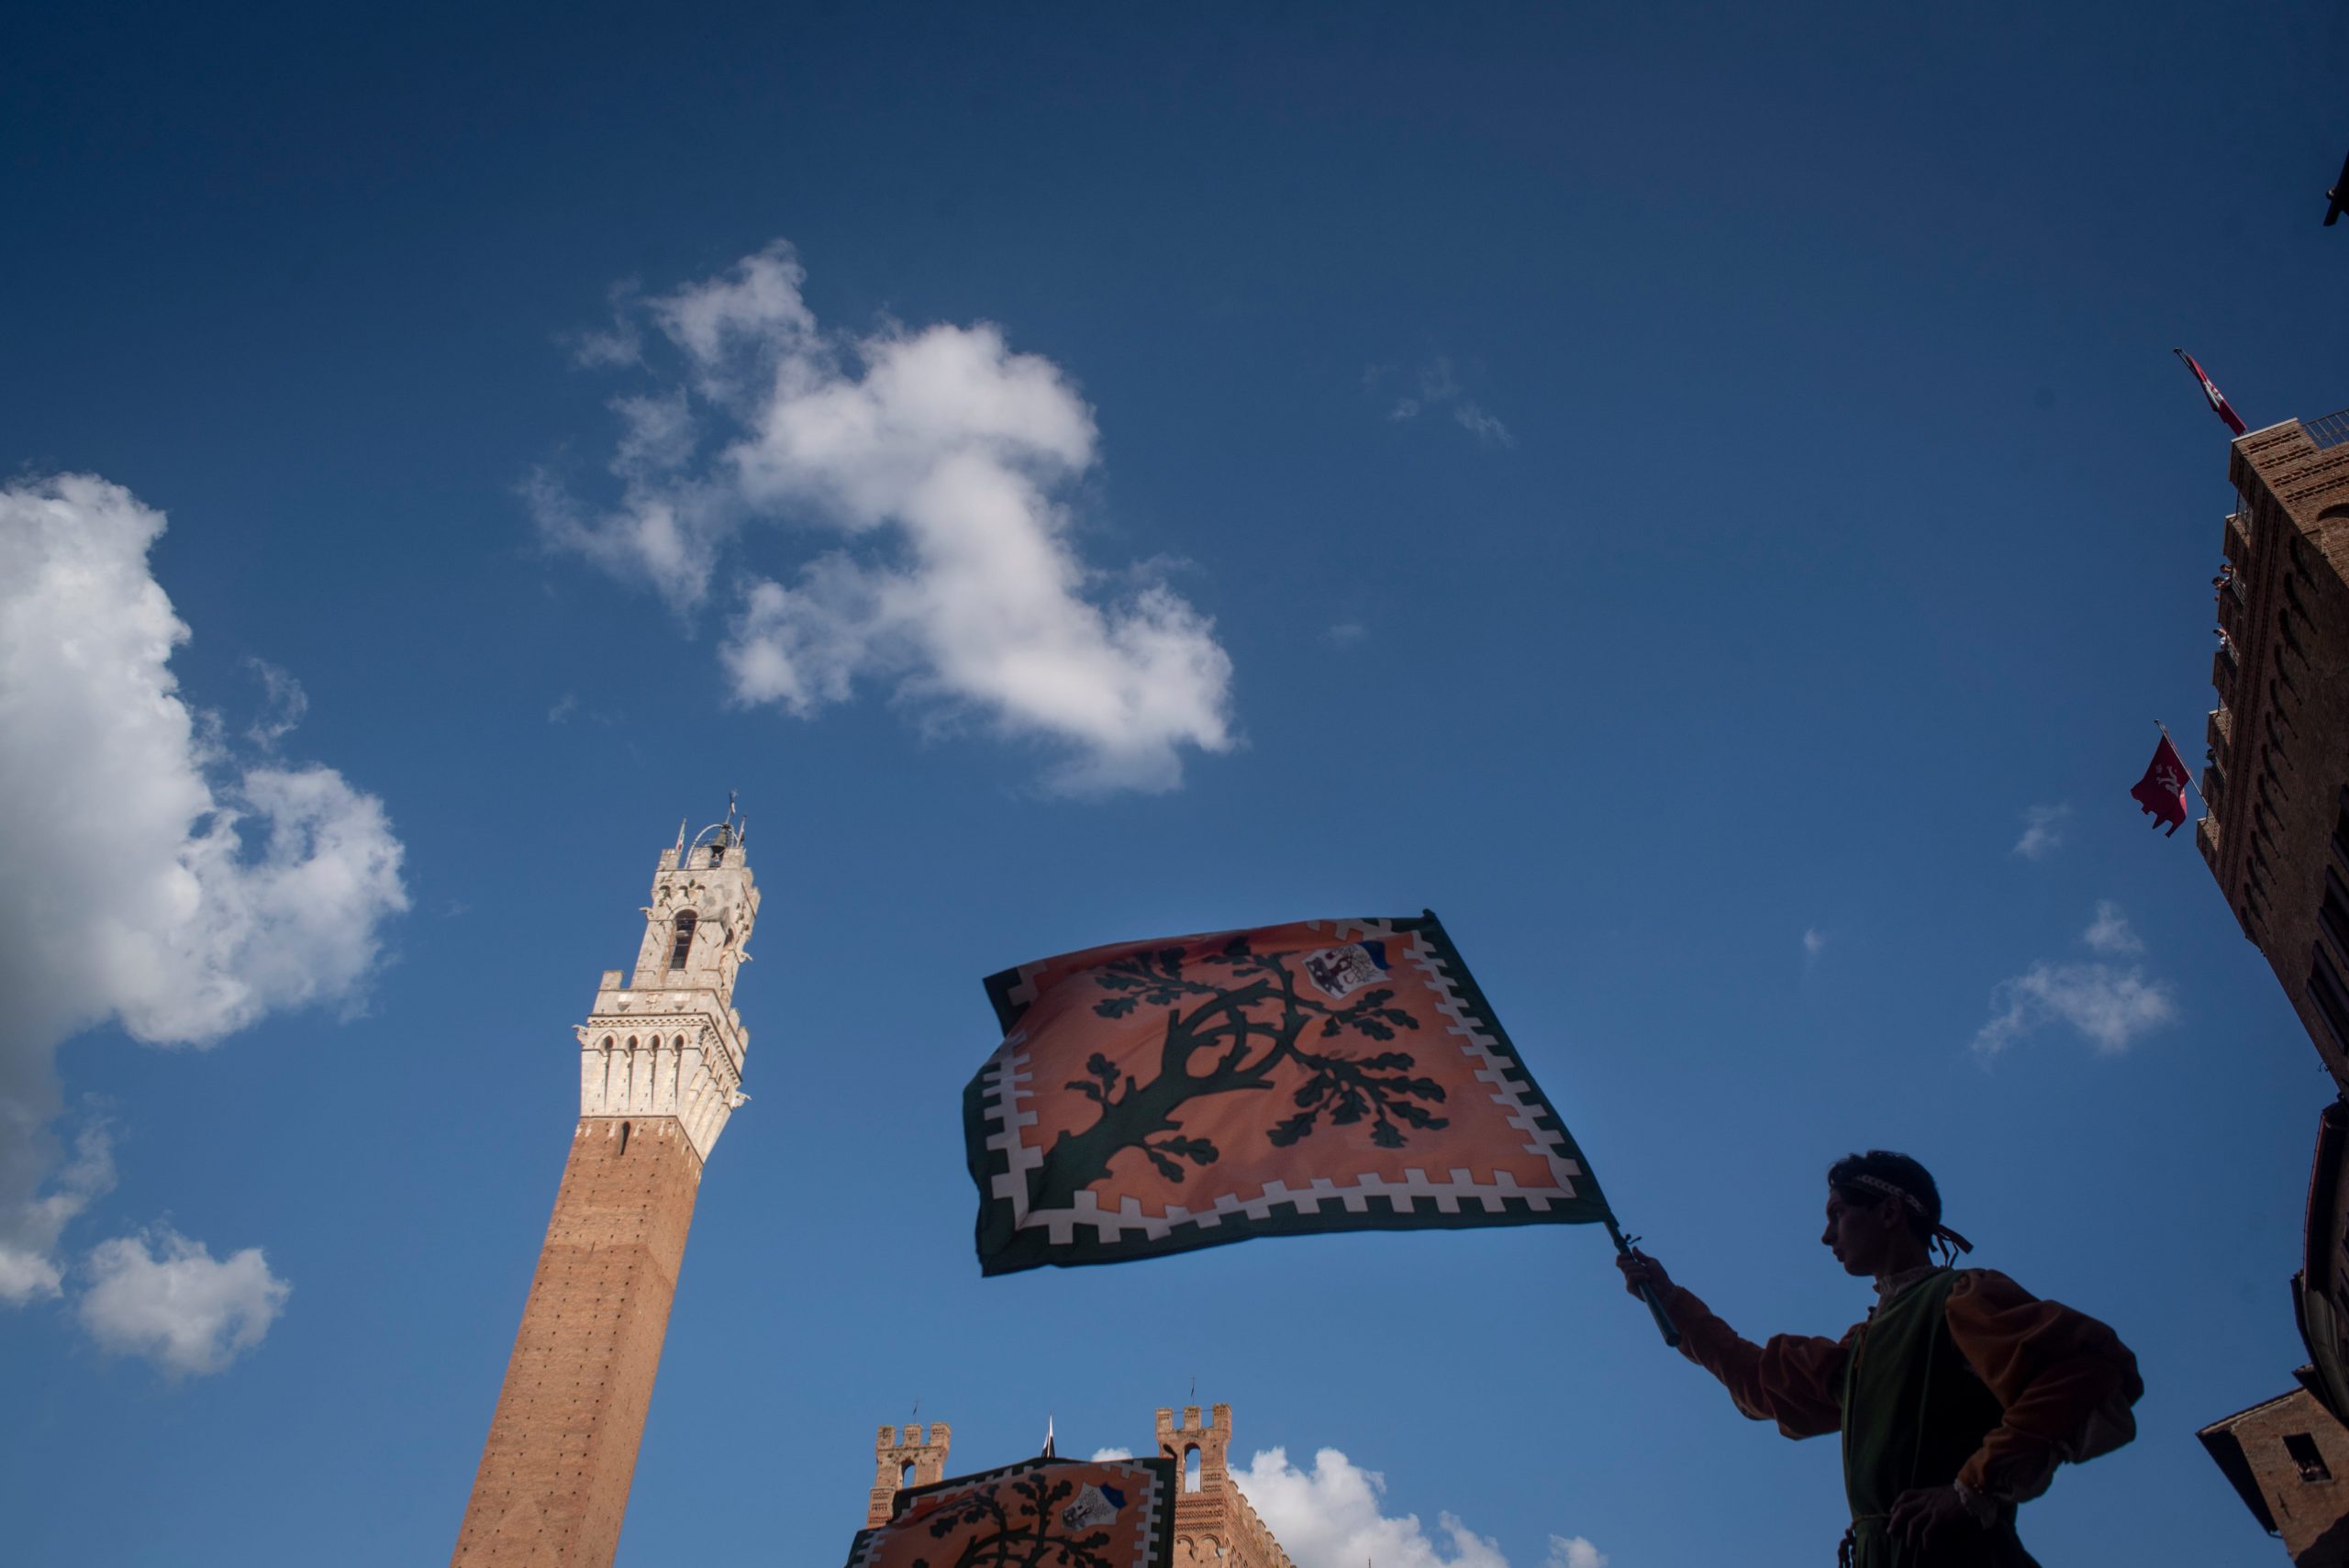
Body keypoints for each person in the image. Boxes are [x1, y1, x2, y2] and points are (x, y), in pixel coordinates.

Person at [1617, 1151, 2141, 1566]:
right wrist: (1670, 1299)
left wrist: (1971, 1489)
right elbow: (1760, 1382)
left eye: (1837, 1215)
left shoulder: (1960, 1296)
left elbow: (2087, 1369)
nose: (1826, 1236)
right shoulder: (1863, 1347)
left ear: (1889, 1212)